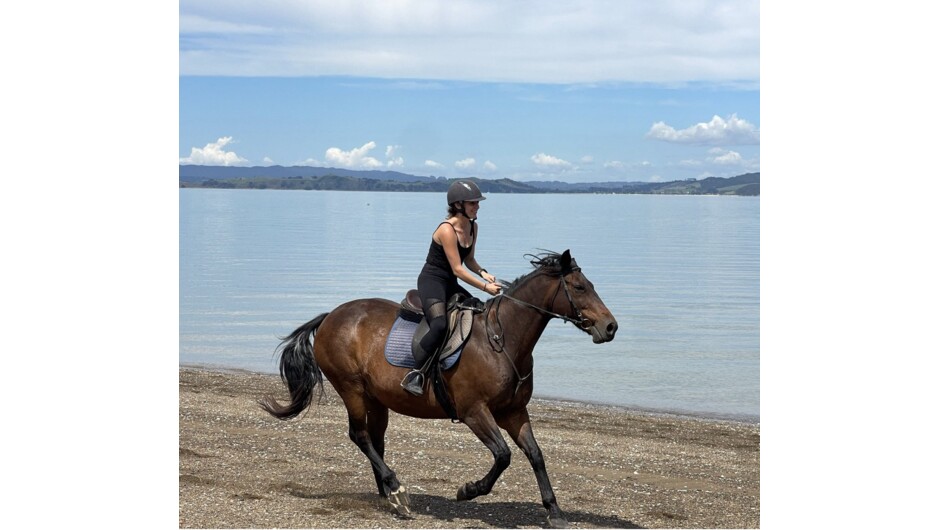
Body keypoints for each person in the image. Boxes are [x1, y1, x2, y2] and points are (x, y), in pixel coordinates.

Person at [401, 180, 502, 395]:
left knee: (480, 311)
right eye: (473, 203)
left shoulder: (473, 227)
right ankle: (415, 373)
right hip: (432, 281)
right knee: (439, 325)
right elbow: (457, 269)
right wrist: (485, 287)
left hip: (450, 283)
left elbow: (470, 260)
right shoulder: (446, 230)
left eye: (478, 202)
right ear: (458, 205)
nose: (478, 206)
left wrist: (484, 272)